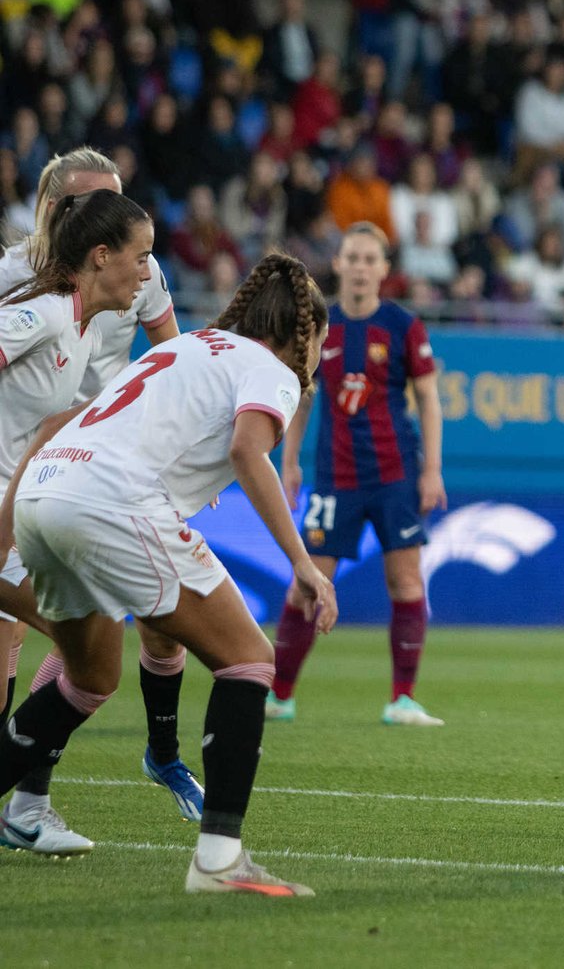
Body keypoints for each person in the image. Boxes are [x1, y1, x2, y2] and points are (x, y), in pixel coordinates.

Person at [0, 253, 335, 896]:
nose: (317, 358)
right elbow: (246, 450)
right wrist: (301, 563)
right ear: (304, 335)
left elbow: (56, 427)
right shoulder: (273, 369)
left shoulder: (181, 351)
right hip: (112, 502)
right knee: (248, 660)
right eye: (319, 343)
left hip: (45, 492)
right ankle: (218, 860)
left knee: (89, 678)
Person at [0, 149, 200, 845]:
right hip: (23, 500)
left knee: (85, 639)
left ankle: (25, 806)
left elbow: (55, 419)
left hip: (50, 491)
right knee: (81, 644)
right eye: (134, 251)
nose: (146, 269)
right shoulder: (46, 307)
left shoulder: (78, 318)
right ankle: (24, 805)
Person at [266, 223, 446, 726]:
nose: (362, 267)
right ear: (339, 264)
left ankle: (402, 699)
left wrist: (432, 470)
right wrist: (290, 461)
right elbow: (303, 397)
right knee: (307, 582)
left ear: (385, 269)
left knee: (405, 580)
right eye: (354, 258)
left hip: (396, 475)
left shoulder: (404, 326)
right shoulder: (321, 325)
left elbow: (429, 401)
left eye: (372, 259)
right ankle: (278, 695)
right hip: (336, 476)